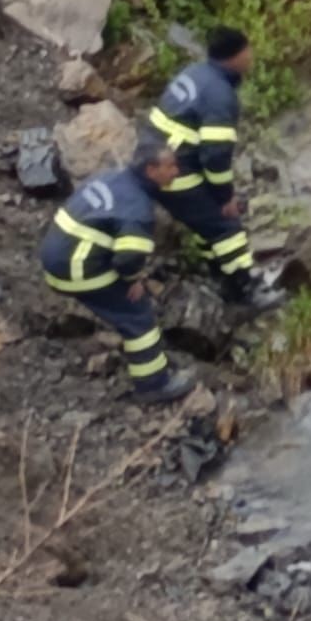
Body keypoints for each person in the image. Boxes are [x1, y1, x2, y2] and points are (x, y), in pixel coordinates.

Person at [39, 135, 195, 404]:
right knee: (138, 314)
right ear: (151, 171)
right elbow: (128, 259)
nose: (176, 171)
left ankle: (152, 360)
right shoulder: (138, 210)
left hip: (56, 255)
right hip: (75, 270)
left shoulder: (113, 177)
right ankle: (153, 385)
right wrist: (133, 279)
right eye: (170, 167)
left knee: (128, 303)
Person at [148, 26, 275, 306]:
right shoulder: (220, 96)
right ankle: (247, 288)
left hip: (152, 160)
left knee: (205, 220)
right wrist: (224, 197)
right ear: (236, 56)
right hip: (174, 173)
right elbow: (215, 156)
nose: (251, 56)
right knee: (225, 224)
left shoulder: (196, 73)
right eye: (248, 51)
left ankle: (218, 272)